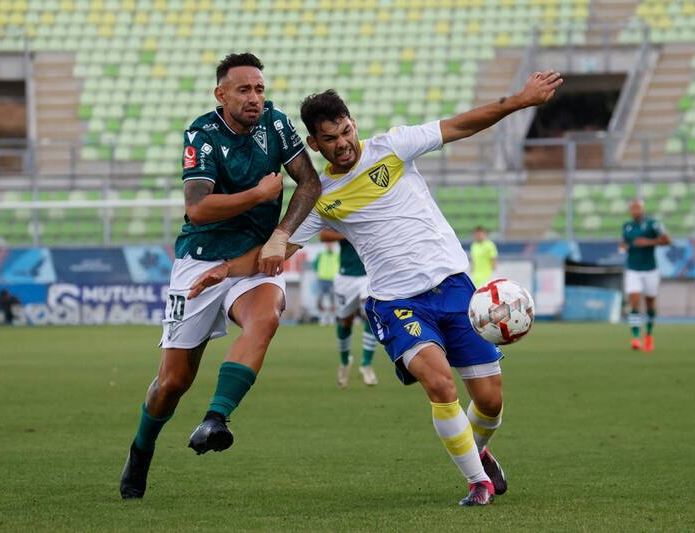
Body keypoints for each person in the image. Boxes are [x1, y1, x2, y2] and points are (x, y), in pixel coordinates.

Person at [189, 71, 563, 506]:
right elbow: (277, 251)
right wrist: (225, 270)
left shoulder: (394, 146)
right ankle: (477, 483)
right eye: (330, 139)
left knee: (490, 402)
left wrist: (520, 100)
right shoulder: (321, 196)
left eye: (346, 131)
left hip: (456, 290)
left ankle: (476, 451)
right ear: (314, 144)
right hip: (398, 303)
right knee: (440, 384)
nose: (342, 143)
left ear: (354, 123)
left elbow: (460, 124)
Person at [119, 52, 321, 499]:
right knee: (173, 383)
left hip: (254, 260)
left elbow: (310, 183)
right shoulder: (202, 134)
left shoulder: (277, 124)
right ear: (221, 94)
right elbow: (197, 207)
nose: (255, 98)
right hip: (200, 260)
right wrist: (259, 194)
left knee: (266, 316)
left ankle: (215, 419)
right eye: (244, 90)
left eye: (260, 89)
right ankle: (141, 448)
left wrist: (281, 234)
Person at [319, 229, 379, 387]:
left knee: (371, 312)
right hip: (345, 277)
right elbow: (324, 235)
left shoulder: (373, 216)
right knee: (345, 322)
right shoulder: (343, 216)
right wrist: (348, 233)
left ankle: (366, 364)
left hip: (368, 275)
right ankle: (345, 362)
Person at [620, 199, 670, 352]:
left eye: (638, 208)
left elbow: (667, 240)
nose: (635, 211)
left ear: (642, 210)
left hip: (650, 269)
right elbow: (624, 243)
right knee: (634, 301)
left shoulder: (653, 224)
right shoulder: (627, 226)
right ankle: (636, 338)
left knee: (650, 303)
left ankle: (648, 334)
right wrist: (623, 247)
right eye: (633, 208)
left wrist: (648, 242)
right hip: (633, 269)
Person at [313, 241, 339, 325]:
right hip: (322, 279)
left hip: (333, 280)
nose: (329, 245)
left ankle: (332, 317)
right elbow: (315, 265)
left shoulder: (337, 256)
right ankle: (322, 316)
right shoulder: (321, 255)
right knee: (320, 298)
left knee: (333, 299)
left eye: (331, 244)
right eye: (328, 244)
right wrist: (319, 273)